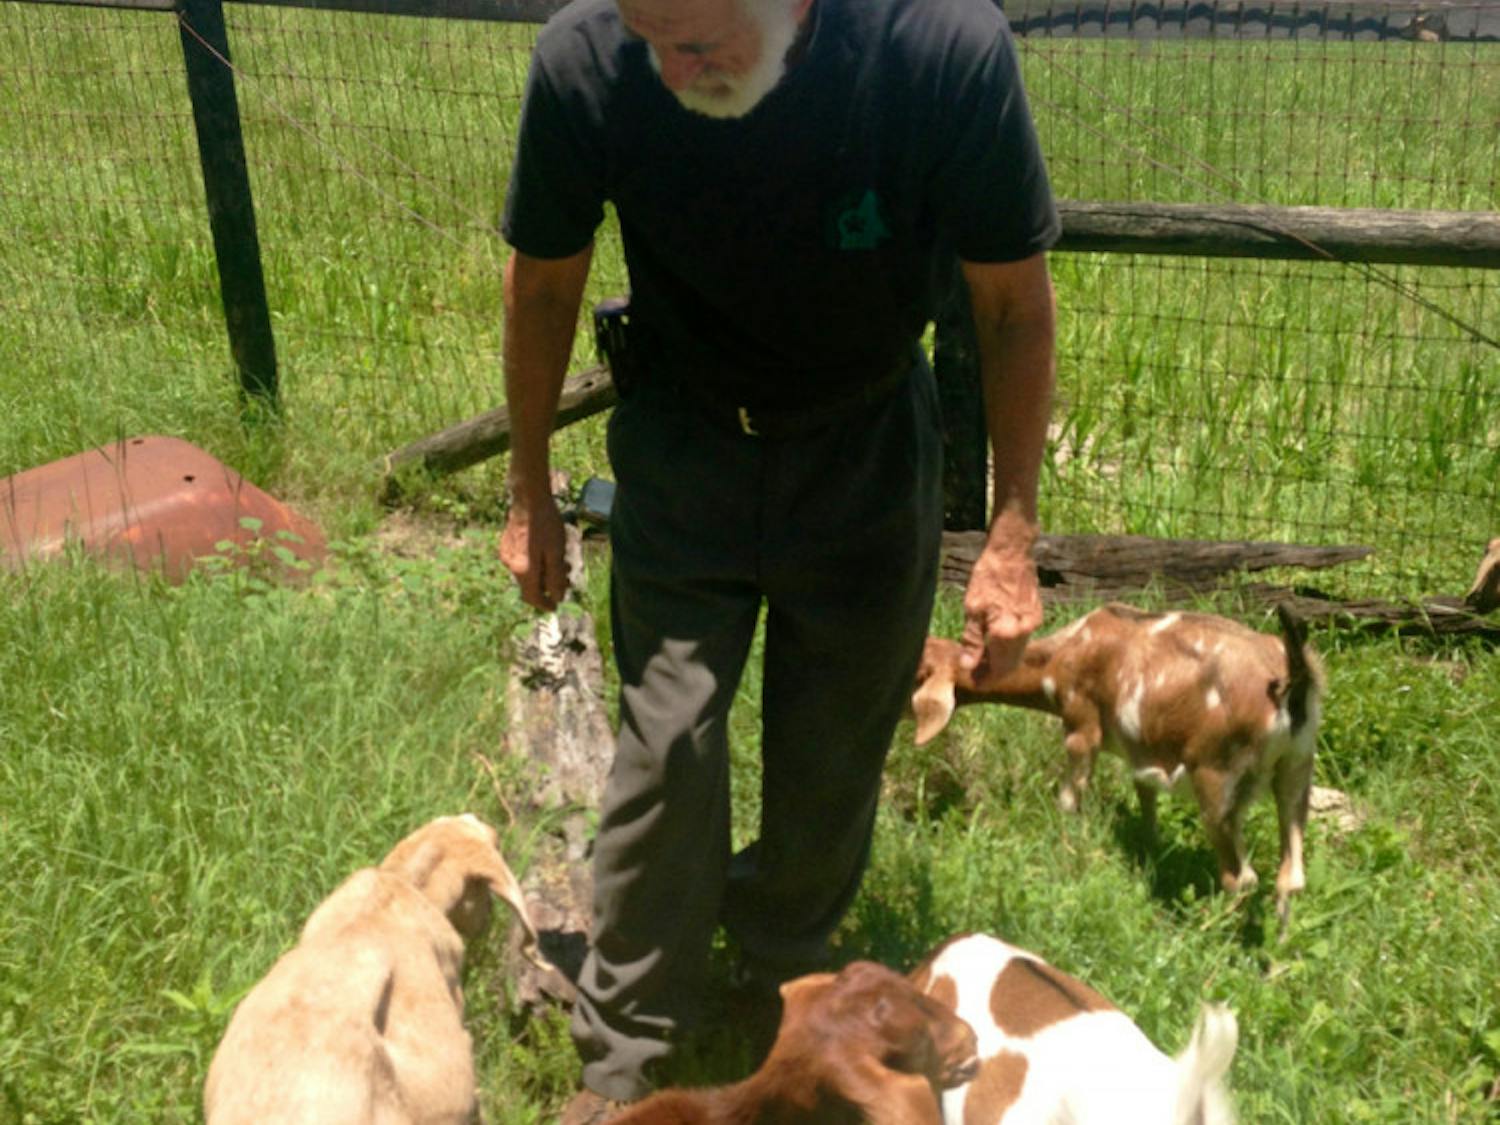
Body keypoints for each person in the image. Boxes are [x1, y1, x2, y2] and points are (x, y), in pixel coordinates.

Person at [497, 0, 1058, 1118]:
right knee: (669, 742)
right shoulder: (586, 60)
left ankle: (776, 984)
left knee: (832, 754)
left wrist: (1011, 530)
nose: (673, 68)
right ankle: (626, 1049)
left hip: (863, 449)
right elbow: (544, 281)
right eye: (651, 39)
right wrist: (527, 491)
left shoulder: (938, 51)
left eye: (701, 41)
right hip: (685, 442)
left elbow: (1009, 306)